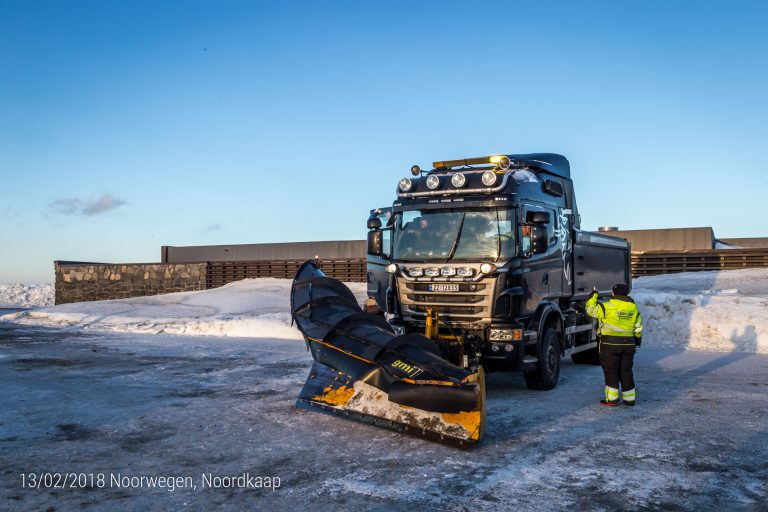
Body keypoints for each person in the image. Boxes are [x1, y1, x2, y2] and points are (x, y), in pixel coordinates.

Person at [586, 283, 643, 407]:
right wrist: (637, 342)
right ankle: (629, 399)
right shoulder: (633, 308)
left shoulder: (606, 306)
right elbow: (638, 328)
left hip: (609, 344)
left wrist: (593, 295)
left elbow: (591, 310)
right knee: (626, 371)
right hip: (628, 344)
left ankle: (612, 399)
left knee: (611, 371)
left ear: (614, 293)